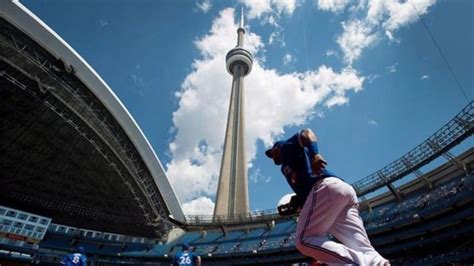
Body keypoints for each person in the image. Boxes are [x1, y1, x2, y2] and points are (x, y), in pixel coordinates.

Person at [265, 129, 390, 266]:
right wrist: (299, 201)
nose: (271, 156)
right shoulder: (286, 168)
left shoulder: (285, 148)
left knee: (304, 240)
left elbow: (306, 133)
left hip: (325, 187)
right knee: (359, 244)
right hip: (340, 191)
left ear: (277, 147)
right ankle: (377, 263)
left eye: (271, 152)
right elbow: (304, 183)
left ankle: (361, 263)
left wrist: (315, 154)